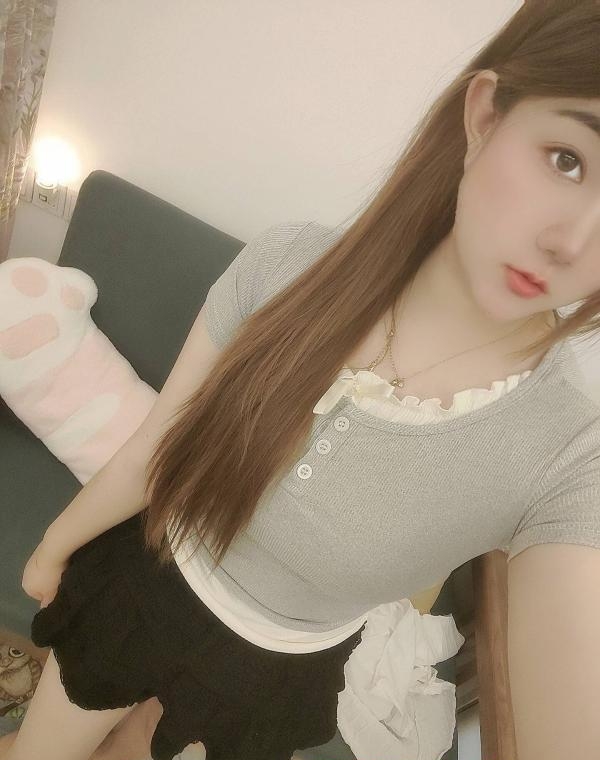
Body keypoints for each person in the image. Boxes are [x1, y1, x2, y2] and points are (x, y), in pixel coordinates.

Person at [8, 2, 600, 760]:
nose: (572, 242)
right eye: (567, 159)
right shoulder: (289, 266)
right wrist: (53, 546)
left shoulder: (570, 453)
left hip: (269, 674)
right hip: (148, 577)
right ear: (487, 114)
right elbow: (158, 449)